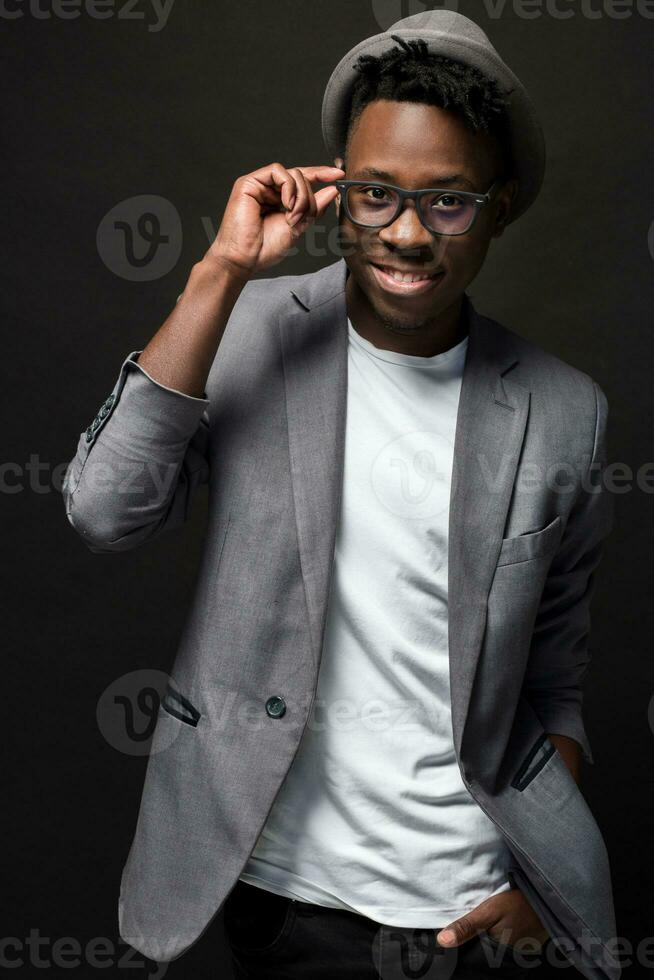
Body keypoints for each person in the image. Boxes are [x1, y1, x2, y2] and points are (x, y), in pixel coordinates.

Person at [63, 11, 620, 980]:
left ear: (500, 206)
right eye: (375, 196)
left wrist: (537, 882)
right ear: (337, 190)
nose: (406, 234)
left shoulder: (563, 412)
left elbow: (554, 681)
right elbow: (104, 508)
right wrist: (222, 270)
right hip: (263, 888)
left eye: (448, 203)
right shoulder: (249, 327)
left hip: (460, 912)